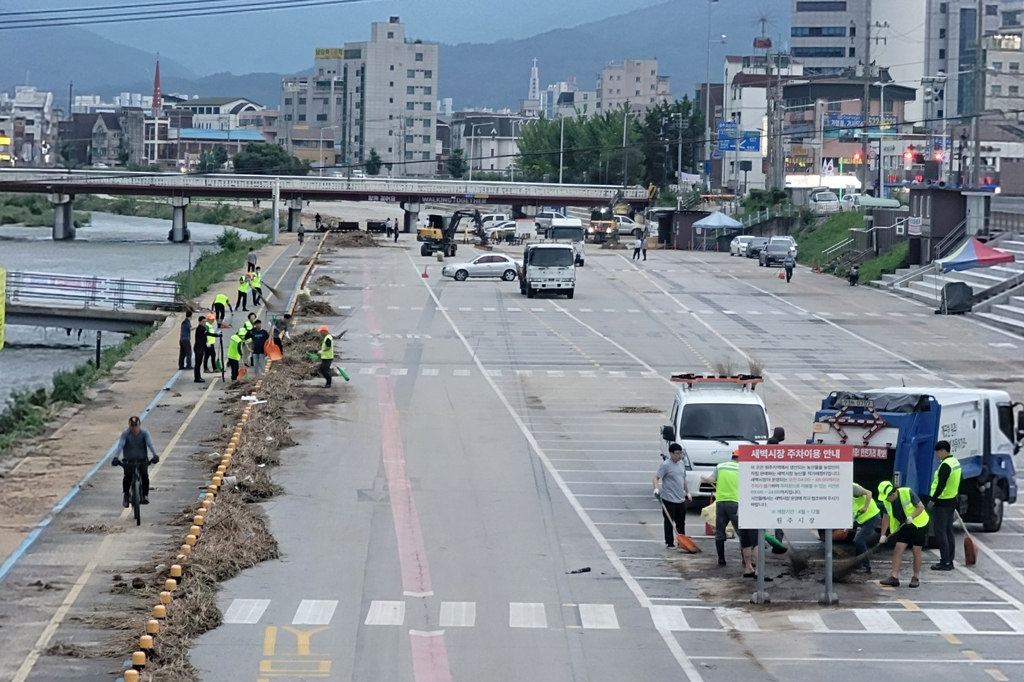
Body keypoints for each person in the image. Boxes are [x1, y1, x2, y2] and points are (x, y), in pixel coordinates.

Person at [702, 449, 764, 579]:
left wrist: (704, 477)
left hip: (720, 503)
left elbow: (710, 479)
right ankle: (746, 562)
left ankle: (721, 559)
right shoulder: (743, 469)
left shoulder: (721, 466)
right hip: (735, 503)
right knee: (743, 532)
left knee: (720, 532)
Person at [878, 480, 930, 588]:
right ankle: (894, 577)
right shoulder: (887, 500)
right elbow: (886, 517)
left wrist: (912, 516)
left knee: (916, 550)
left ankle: (915, 577)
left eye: (887, 497)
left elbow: (921, 507)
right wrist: (883, 534)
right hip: (904, 525)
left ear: (893, 493)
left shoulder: (907, 492)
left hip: (919, 524)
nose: (886, 499)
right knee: (898, 549)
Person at [111, 416, 159, 507]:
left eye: (136, 426)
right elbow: (120, 445)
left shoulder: (144, 433)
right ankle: (126, 495)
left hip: (142, 460)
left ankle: (145, 495)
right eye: (132, 426)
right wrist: (116, 457)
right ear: (129, 426)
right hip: (129, 461)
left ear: (139, 425)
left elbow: (150, 444)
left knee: (144, 476)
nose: (134, 428)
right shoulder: (125, 434)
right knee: (127, 477)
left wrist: (155, 455)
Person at [928, 440, 962, 571]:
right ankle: (950, 561)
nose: (937, 455)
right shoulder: (956, 463)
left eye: (938, 452)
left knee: (940, 532)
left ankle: (944, 561)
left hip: (942, 503)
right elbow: (960, 481)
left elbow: (941, 485)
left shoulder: (945, 466)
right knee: (949, 532)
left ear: (943, 451)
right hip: (951, 501)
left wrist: (933, 500)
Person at [653, 443, 692, 549]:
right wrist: (656, 489)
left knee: (681, 521)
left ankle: (681, 541)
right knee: (669, 521)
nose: (679, 455)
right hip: (669, 498)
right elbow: (656, 477)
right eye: (677, 453)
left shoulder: (681, 464)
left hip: (680, 498)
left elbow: (683, 479)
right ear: (671, 453)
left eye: (681, 453)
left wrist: (687, 492)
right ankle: (669, 542)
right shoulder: (666, 465)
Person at [851, 482, 882, 573]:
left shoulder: (853, 488)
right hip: (861, 519)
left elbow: (869, 493)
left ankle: (866, 567)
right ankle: (857, 563)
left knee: (860, 541)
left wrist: (865, 507)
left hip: (872, 517)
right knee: (857, 541)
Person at [193, 314, 210, 383]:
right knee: (198, 363)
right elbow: (208, 334)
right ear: (199, 322)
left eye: (205, 322)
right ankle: (197, 377)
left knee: (199, 363)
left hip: (201, 347)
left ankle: (198, 376)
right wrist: (217, 335)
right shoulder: (200, 328)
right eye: (203, 321)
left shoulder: (203, 328)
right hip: (198, 348)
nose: (204, 323)